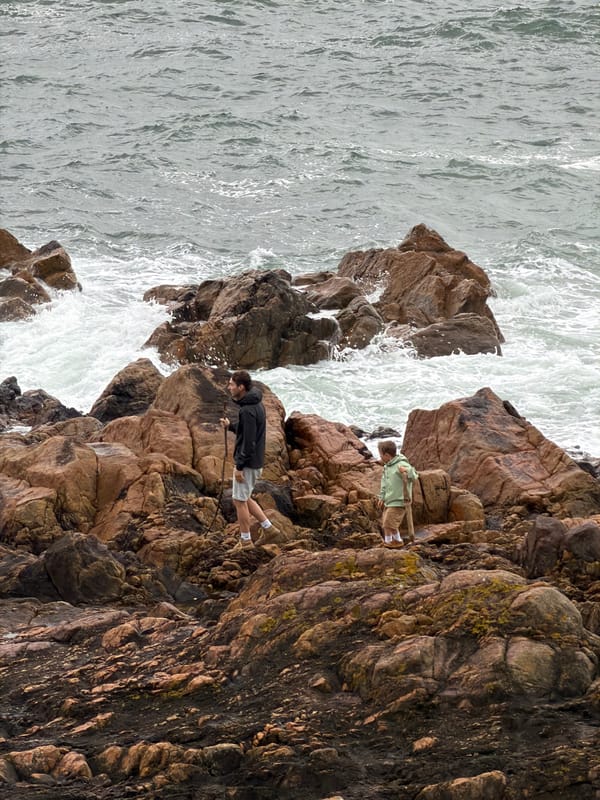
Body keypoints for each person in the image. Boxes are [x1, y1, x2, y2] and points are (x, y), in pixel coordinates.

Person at [220, 370, 277, 548]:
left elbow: (249, 442)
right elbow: (247, 430)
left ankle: (245, 542)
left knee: (239, 501)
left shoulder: (247, 410)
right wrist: (231, 426)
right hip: (255, 462)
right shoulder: (255, 403)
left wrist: (239, 466)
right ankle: (268, 528)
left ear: (241, 387)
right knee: (244, 497)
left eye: (231, 384)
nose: (229, 387)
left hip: (248, 464)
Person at [377, 440, 418, 547]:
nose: (380, 457)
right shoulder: (387, 467)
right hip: (389, 500)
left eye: (381, 455)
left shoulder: (401, 464)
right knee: (389, 523)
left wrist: (406, 471)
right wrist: (382, 497)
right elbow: (384, 484)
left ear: (387, 455)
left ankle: (388, 542)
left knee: (388, 523)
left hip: (400, 500)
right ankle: (398, 541)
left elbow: (414, 476)